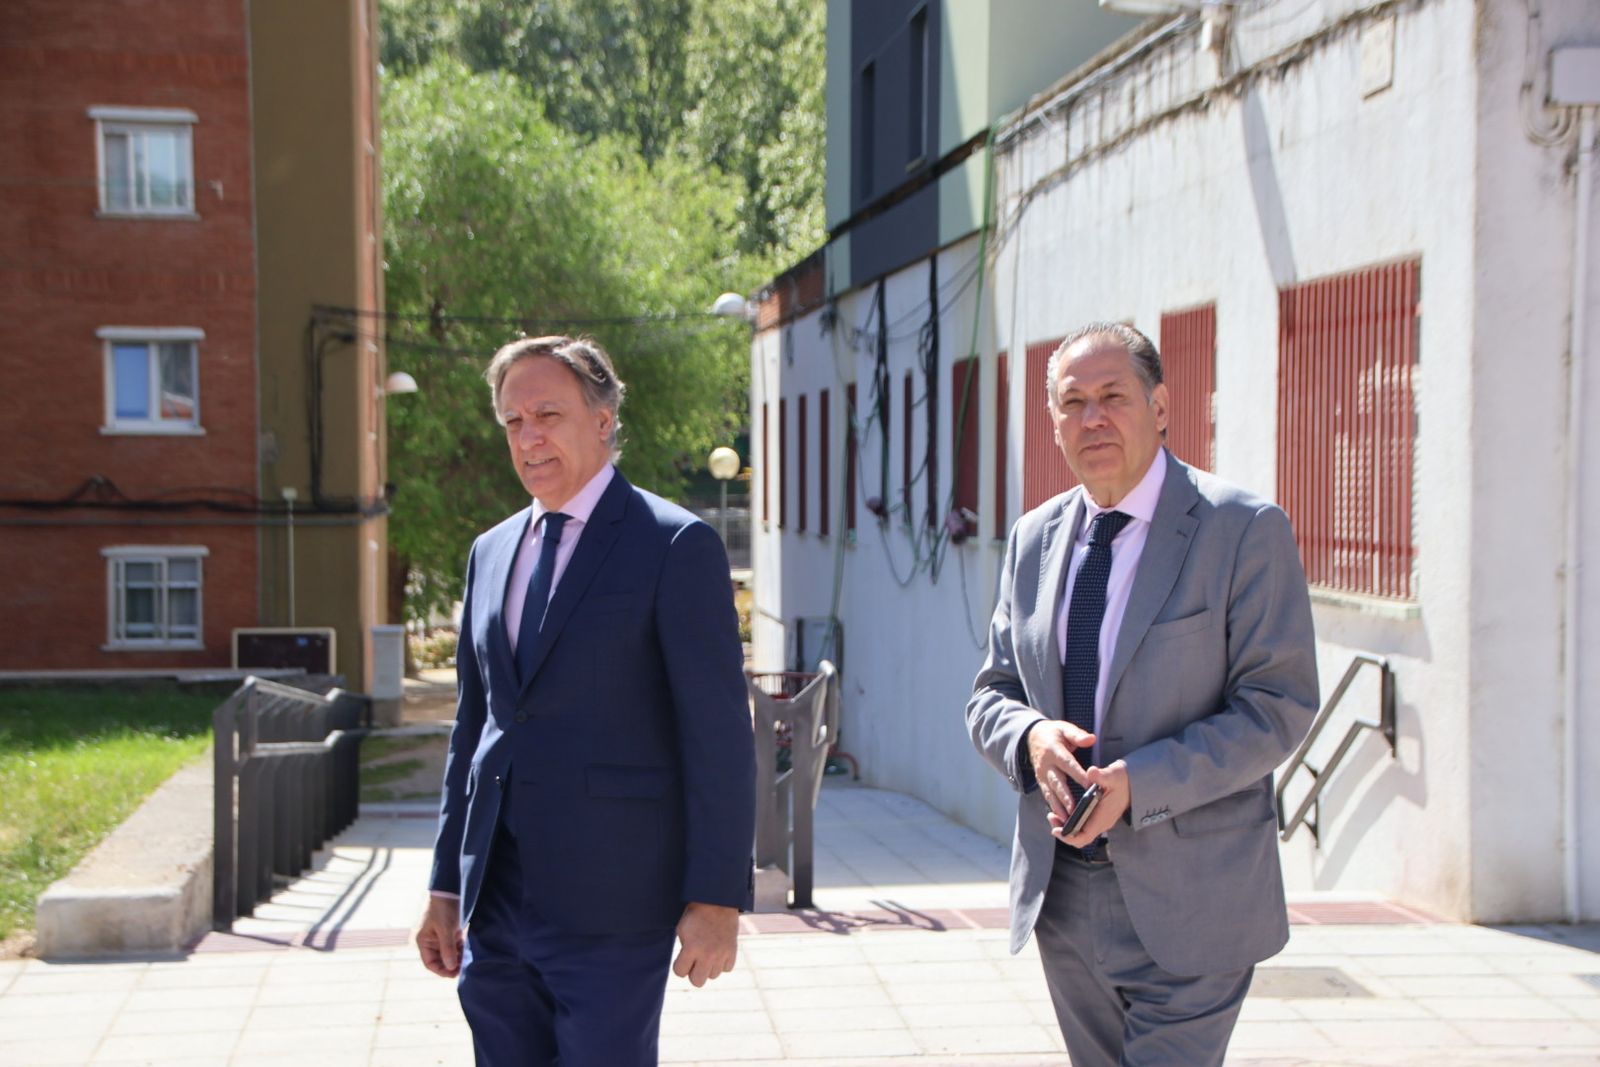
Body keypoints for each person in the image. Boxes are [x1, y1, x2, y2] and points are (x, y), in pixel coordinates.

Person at [966, 323, 1318, 1067]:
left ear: (1160, 407)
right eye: (1073, 402)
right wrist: (1029, 739)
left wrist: (1140, 783)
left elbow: (1277, 705)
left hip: (1197, 899)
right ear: (1054, 422)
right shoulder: (1032, 539)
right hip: (1064, 897)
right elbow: (991, 692)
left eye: (1113, 397)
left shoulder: (1242, 530)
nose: (1093, 418)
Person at [415, 335, 755, 1066]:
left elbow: (719, 737)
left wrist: (717, 897)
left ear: (602, 418)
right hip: (495, 903)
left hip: (615, 905)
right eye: (513, 421)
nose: (529, 436)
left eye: (548, 413)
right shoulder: (490, 551)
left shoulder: (674, 545)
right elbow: (473, 729)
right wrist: (446, 882)